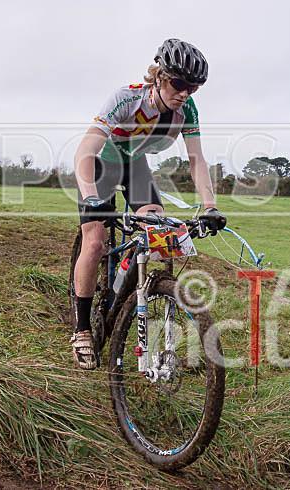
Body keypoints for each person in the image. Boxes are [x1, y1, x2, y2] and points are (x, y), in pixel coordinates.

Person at [71, 38, 225, 370]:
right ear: (159, 75)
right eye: (178, 83)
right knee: (95, 241)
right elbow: (85, 151)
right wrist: (93, 197)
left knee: (159, 232)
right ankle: (83, 328)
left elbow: (197, 160)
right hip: (100, 166)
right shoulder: (125, 99)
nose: (184, 92)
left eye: (193, 87)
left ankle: (134, 293)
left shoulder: (187, 111)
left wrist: (210, 207)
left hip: (135, 166)